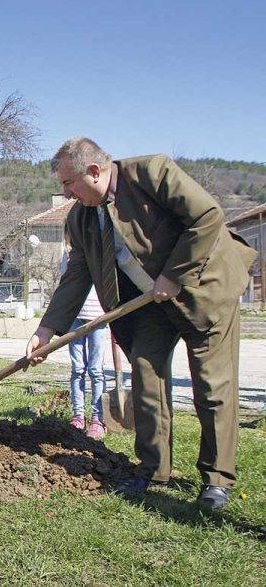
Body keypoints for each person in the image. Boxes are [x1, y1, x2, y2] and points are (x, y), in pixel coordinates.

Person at [26, 137, 256, 510]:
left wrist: (174, 274)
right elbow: (78, 273)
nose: (65, 192)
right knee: (147, 381)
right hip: (147, 305)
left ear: (95, 172)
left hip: (204, 290)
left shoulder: (152, 173)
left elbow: (207, 217)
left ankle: (217, 480)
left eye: (69, 183)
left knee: (211, 387)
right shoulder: (80, 217)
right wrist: (46, 329)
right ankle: (154, 468)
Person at [67, 285, 108, 439]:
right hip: (74, 316)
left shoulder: (99, 259)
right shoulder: (67, 260)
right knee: (77, 369)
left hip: (99, 316)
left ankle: (98, 420)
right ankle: (78, 416)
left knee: (96, 370)